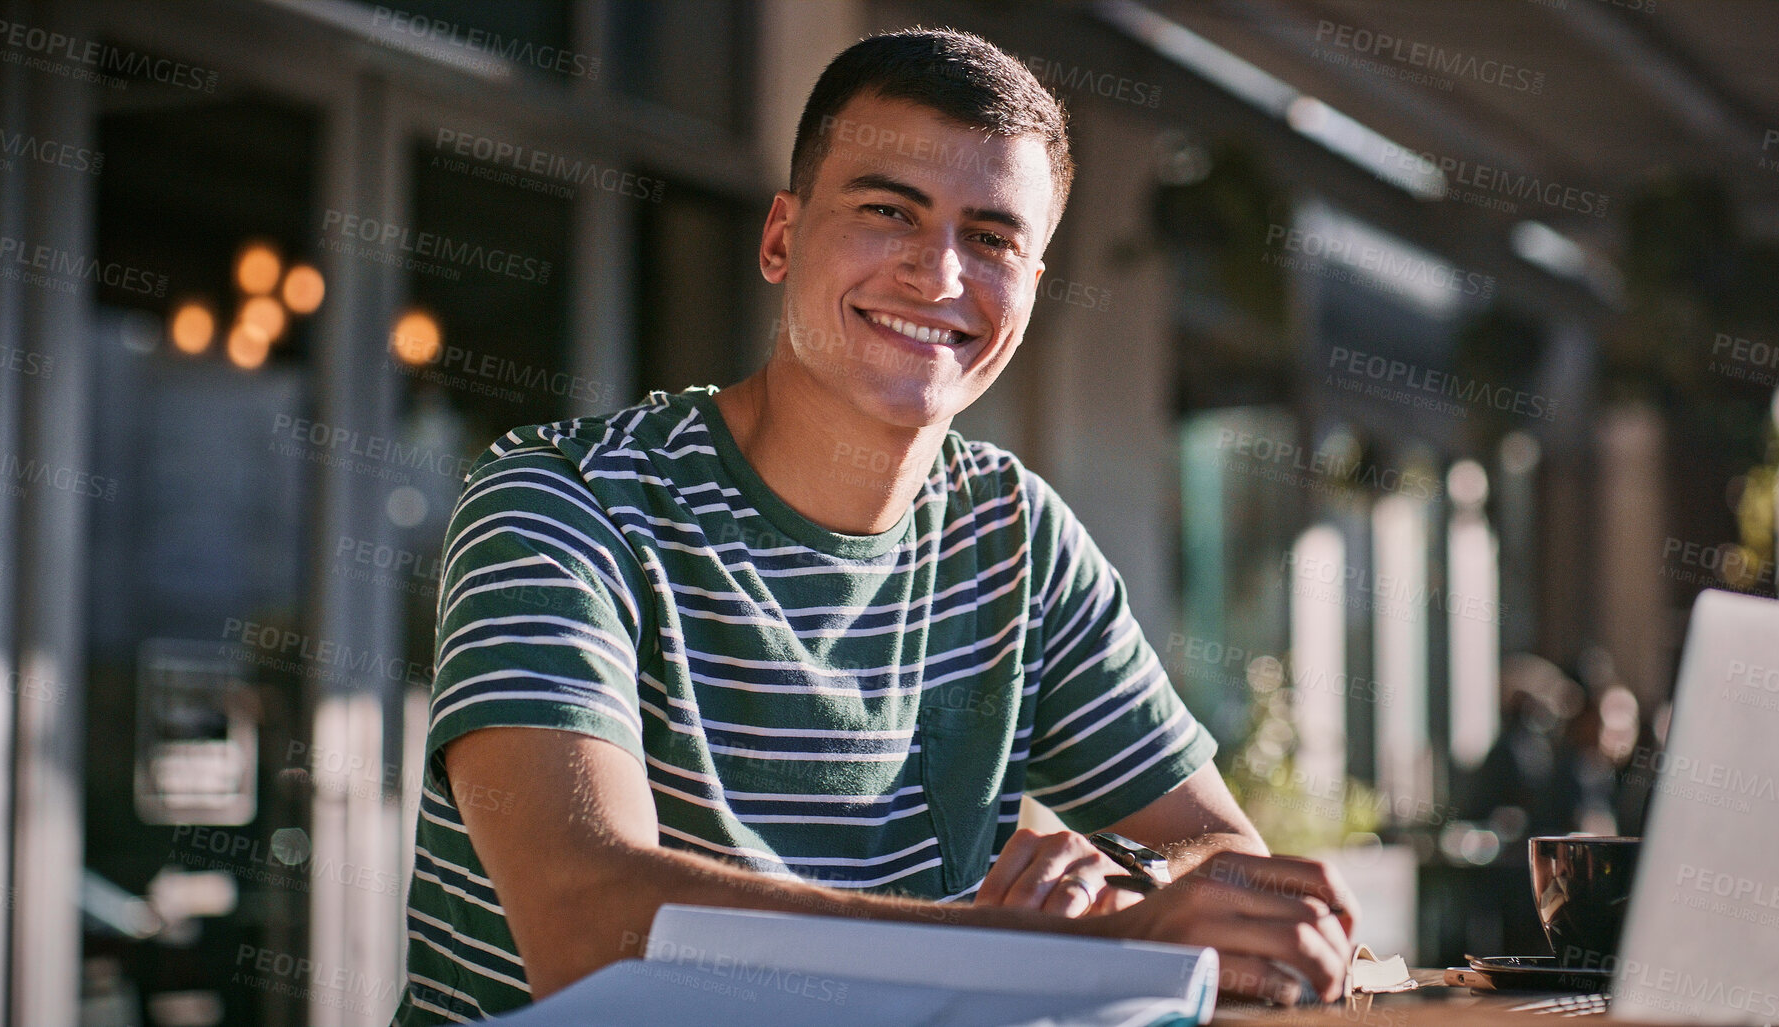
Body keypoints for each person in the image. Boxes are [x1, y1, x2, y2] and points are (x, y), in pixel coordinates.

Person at [391, 28, 1358, 1026]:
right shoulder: (563, 500)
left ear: (1031, 288)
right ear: (779, 238)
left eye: (992, 238)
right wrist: (1061, 948)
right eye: (888, 210)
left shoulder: (1015, 535)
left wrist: (1130, 890)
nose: (938, 273)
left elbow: (1229, 861)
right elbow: (588, 930)